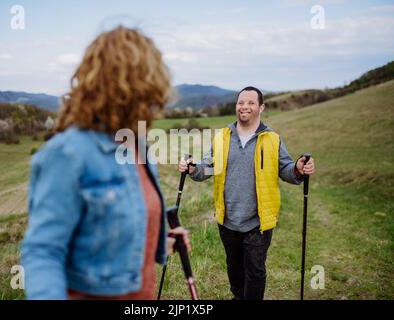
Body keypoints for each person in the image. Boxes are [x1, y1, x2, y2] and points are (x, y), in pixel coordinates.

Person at [21, 26, 190, 300]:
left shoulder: (138, 146)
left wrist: (163, 241)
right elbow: (43, 252)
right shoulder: (68, 153)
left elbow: (120, 228)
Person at [179, 86, 315, 300]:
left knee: (255, 272)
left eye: (251, 102)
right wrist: (193, 168)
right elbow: (208, 167)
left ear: (261, 107)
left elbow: (287, 170)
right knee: (234, 270)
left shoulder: (272, 139)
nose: (245, 106)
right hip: (227, 220)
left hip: (258, 222)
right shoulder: (222, 137)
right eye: (241, 102)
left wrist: (298, 169)